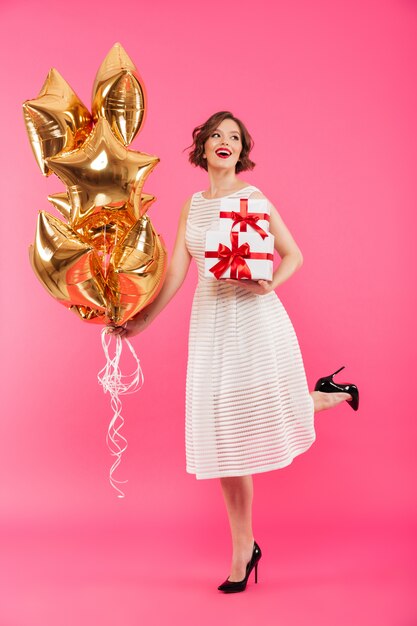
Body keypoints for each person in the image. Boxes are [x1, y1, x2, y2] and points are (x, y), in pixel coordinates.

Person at [108, 111, 359, 593]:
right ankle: (246, 541)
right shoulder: (192, 208)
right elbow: (178, 275)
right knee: (224, 439)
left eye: (235, 137)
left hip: (253, 322)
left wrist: (269, 289)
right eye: (216, 136)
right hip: (210, 329)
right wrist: (140, 322)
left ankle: (242, 550)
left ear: (242, 152)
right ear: (202, 147)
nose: (225, 142)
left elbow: (293, 255)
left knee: (253, 420)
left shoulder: (253, 199)